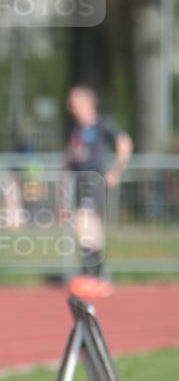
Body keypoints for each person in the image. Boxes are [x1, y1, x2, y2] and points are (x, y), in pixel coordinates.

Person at [64, 85, 132, 298]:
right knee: (85, 228)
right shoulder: (75, 129)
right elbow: (70, 156)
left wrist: (116, 170)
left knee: (86, 222)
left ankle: (92, 273)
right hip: (78, 181)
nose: (72, 108)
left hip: (94, 182)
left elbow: (124, 143)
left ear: (87, 103)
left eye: (75, 103)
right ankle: (97, 272)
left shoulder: (103, 125)